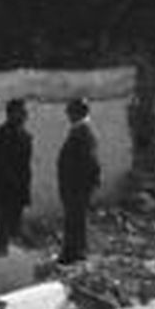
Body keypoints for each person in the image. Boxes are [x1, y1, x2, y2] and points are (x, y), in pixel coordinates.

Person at [0, 99, 32, 255]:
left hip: (19, 188)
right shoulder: (3, 133)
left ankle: (10, 255)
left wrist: (23, 186)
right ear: (11, 114)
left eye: (25, 112)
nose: (25, 115)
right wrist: (12, 180)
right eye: (21, 112)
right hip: (4, 187)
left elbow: (25, 165)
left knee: (14, 225)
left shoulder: (25, 135)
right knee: (2, 224)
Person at [56, 98, 101, 265]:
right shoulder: (80, 130)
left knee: (75, 219)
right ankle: (75, 252)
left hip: (77, 185)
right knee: (75, 219)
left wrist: (84, 183)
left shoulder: (83, 131)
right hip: (76, 185)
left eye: (70, 111)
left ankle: (73, 253)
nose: (68, 115)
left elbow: (89, 161)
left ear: (78, 113)